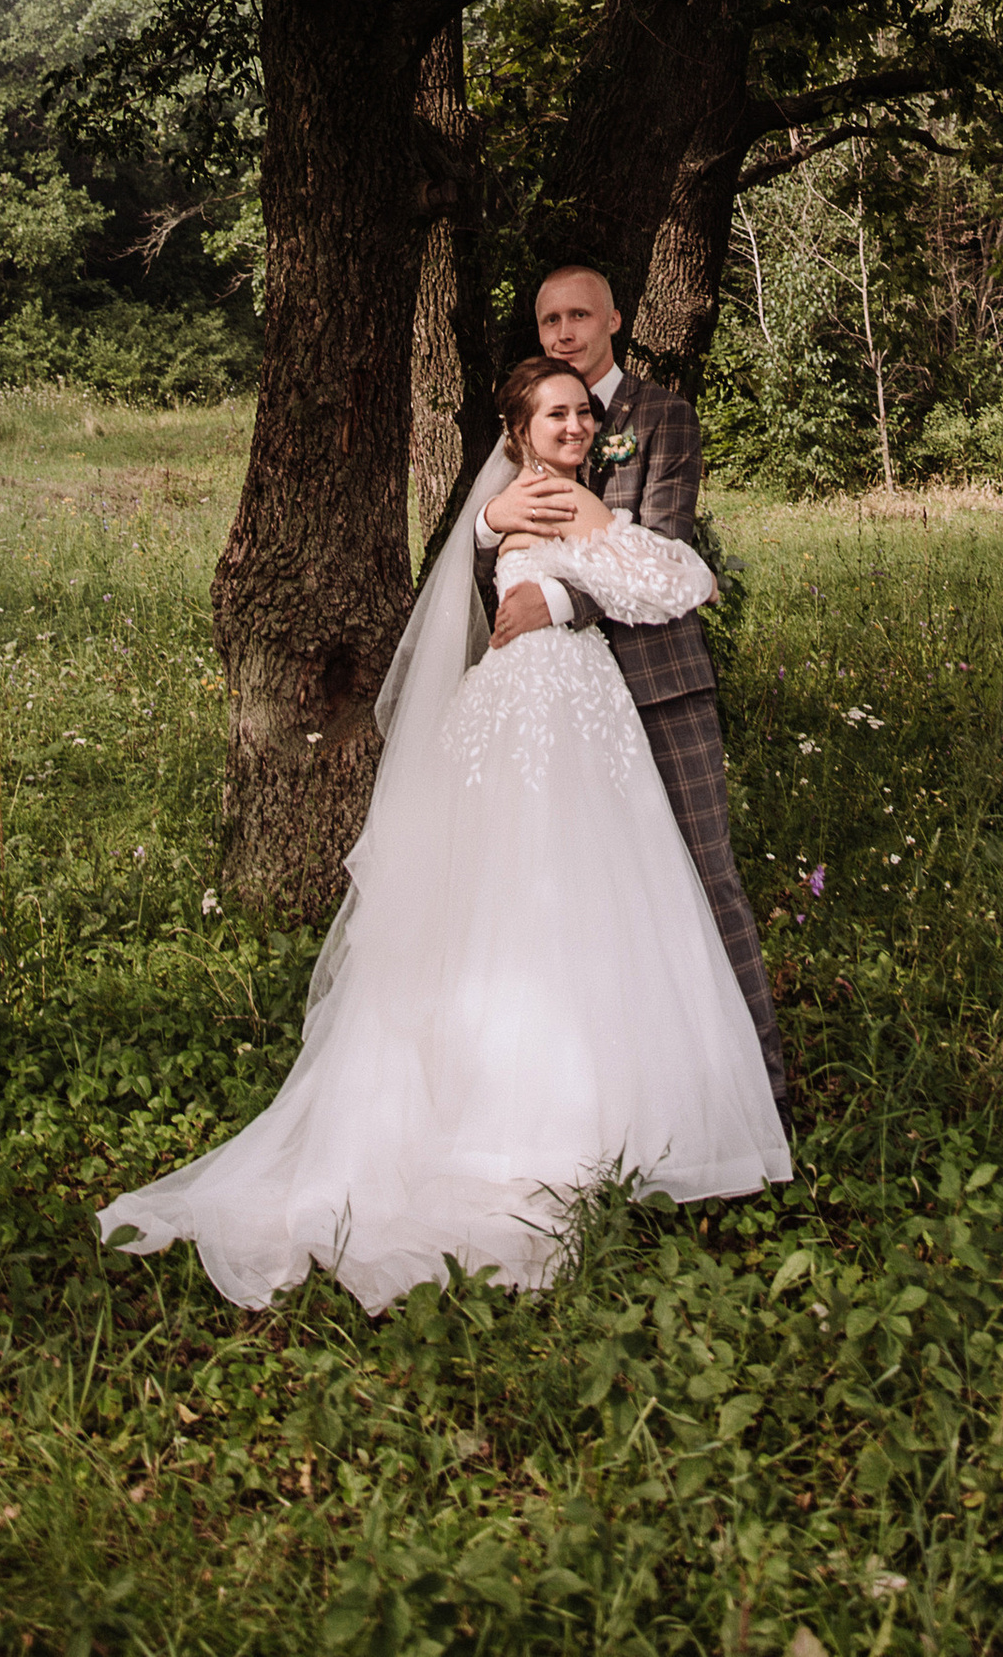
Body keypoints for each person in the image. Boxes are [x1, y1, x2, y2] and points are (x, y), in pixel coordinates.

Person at [94, 356, 790, 1312]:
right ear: (518, 433)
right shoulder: (545, 501)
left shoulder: (521, 503)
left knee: (568, 903)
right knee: (542, 901)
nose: (577, 427)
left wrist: (545, 551)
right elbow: (678, 581)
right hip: (542, 708)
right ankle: (542, 1122)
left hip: (568, 705)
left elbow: (641, 582)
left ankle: (582, 1101)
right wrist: (582, 528)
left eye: (584, 413)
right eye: (556, 415)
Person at [477, 261, 788, 1114]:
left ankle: (757, 1092)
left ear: (615, 318)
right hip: (570, 707)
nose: (565, 333)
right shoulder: (536, 416)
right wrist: (487, 520)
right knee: (597, 892)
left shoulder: (660, 417)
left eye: (580, 316)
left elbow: (663, 546)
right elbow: (496, 540)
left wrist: (562, 597)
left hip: (657, 687)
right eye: (550, 322)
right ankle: (631, 1095)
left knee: (704, 879)